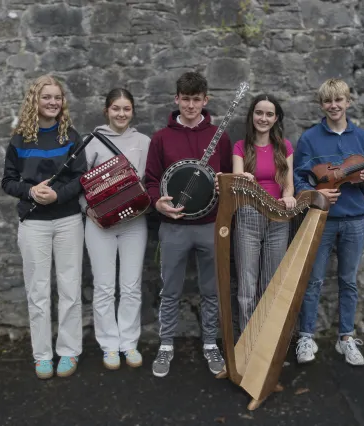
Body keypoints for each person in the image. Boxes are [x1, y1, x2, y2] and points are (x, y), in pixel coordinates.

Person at [144, 71, 233, 378]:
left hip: (210, 225)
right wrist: (157, 202)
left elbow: (228, 178)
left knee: (211, 290)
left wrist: (224, 186)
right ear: (176, 99)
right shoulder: (161, 138)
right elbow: (151, 180)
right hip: (174, 226)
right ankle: (165, 345)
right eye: (186, 99)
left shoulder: (219, 137)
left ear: (205, 100)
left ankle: (211, 343)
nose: (191, 106)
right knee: (170, 290)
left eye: (197, 100)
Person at [293, 78, 364, 367]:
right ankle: (306, 336)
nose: (334, 106)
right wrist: (314, 193)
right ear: (321, 105)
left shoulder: (363, 138)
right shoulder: (309, 138)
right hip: (321, 219)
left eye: (339, 100)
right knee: (313, 280)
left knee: (348, 281)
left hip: (354, 219)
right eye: (328, 101)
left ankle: (346, 337)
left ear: (348, 102)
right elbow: (297, 176)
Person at [1, 75, 87, 379]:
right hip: (33, 224)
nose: (52, 102)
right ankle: (42, 355)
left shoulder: (72, 136)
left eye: (57, 97)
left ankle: (68, 351)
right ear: (34, 101)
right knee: (37, 291)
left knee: (69, 288)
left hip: (67, 222)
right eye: (46, 97)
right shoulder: (20, 138)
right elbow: (8, 181)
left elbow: (81, 179)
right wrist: (30, 192)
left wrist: (57, 195)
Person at [79, 88, 151, 370]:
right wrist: (89, 210)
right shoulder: (91, 142)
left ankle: (129, 343)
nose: (121, 114)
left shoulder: (144, 142)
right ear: (106, 110)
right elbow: (79, 186)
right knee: (104, 286)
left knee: (131, 286)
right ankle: (109, 345)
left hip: (134, 222)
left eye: (126, 109)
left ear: (133, 111)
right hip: (100, 225)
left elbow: (150, 180)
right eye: (116, 108)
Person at [232, 94, 296, 333]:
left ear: (276, 118)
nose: (263, 118)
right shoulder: (240, 147)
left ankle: (265, 342)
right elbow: (237, 182)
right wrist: (244, 179)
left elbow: (288, 184)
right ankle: (247, 341)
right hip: (248, 216)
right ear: (252, 116)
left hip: (278, 218)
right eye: (259, 113)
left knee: (271, 285)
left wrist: (288, 195)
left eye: (269, 114)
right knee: (246, 289)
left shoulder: (284, 147)